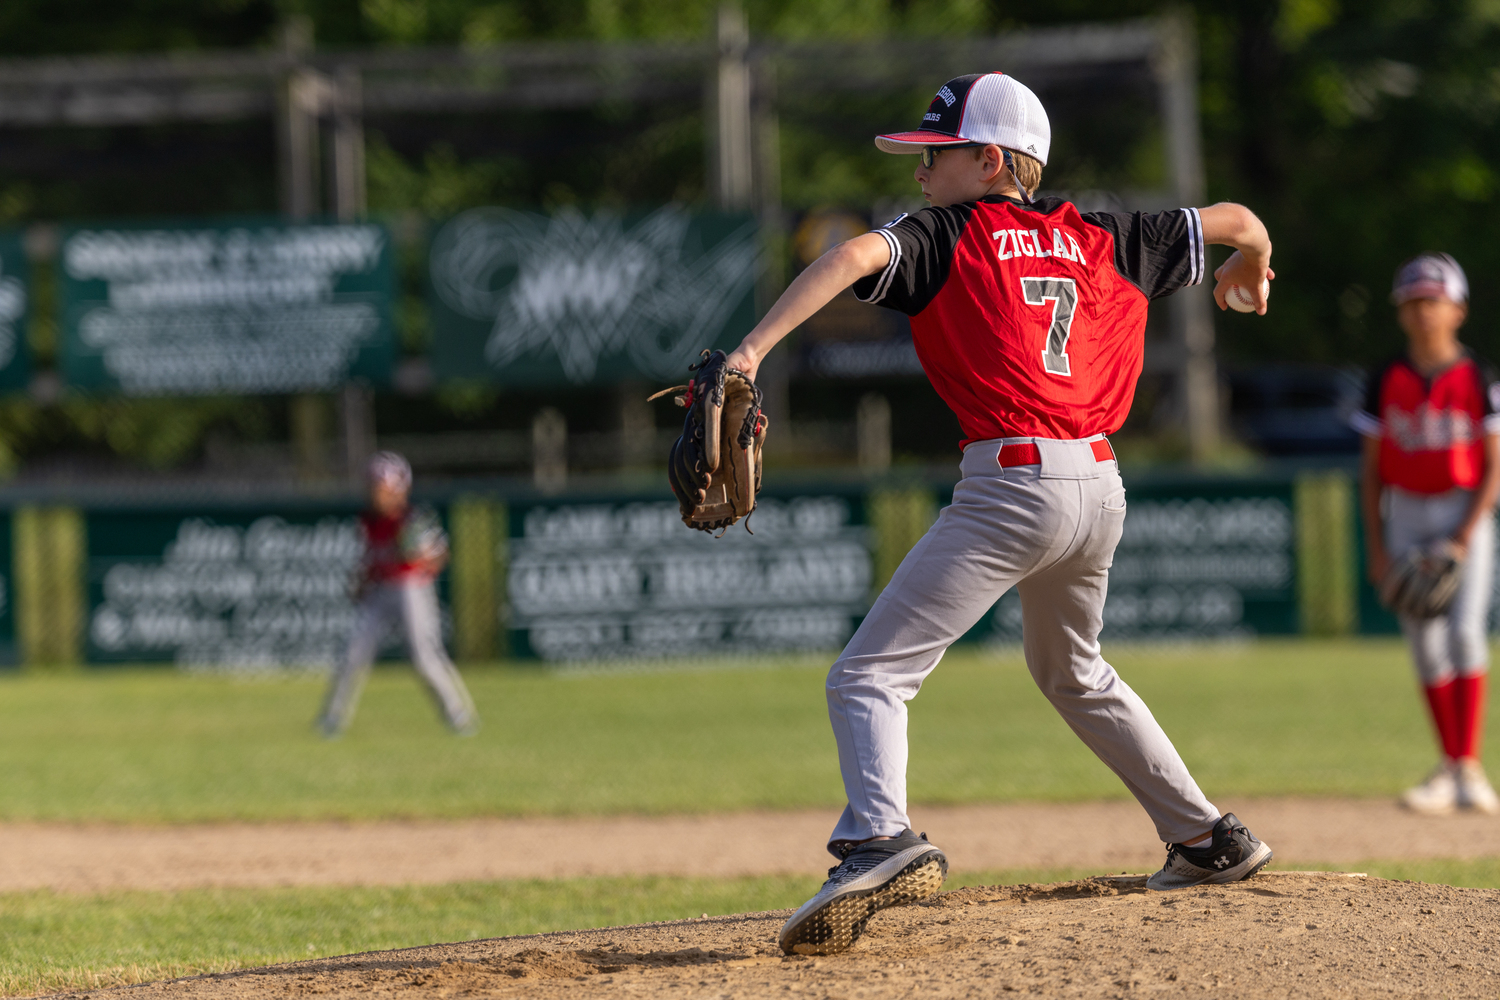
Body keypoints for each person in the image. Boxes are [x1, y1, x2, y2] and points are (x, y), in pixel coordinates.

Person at [720, 72, 1276, 956]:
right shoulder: (1105, 232)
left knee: (867, 677)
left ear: (988, 161)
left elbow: (853, 257)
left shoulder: (948, 232)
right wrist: (1251, 267)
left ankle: (877, 837)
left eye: (934, 157)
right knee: (1073, 670)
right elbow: (1239, 219)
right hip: (1099, 486)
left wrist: (750, 349)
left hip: (1014, 484)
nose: (920, 176)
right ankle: (1209, 838)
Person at [1355, 254, 1500, 815]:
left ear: (1458, 310)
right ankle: (1451, 768)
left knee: (1465, 634)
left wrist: (1464, 536)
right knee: (1424, 642)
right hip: (1406, 510)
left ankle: (1468, 767)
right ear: (1401, 312)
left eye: (1433, 300)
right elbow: (1370, 472)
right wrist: (1376, 546)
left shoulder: (1479, 377)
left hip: (1465, 509)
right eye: (1412, 301)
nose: (1422, 311)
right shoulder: (1385, 378)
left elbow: (1494, 468)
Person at [318, 451, 479, 738]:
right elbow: (369, 559)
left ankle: (458, 714)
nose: (375, 493)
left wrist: (419, 555)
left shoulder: (412, 518)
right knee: (353, 652)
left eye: (381, 487)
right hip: (380, 589)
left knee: (424, 656)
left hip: (410, 586)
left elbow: (440, 555)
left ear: (399, 488)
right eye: (373, 486)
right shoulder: (368, 519)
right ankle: (333, 718)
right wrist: (360, 582)